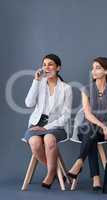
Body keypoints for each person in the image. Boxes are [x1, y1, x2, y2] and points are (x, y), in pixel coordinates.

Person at [67, 57, 107, 191]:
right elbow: (88, 115)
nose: (93, 71)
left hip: (102, 133)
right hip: (85, 129)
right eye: (93, 68)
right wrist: (103, 126)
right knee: (91, 129)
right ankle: (91, 173)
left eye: (98, 68)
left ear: (106, 71)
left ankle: (81, 165)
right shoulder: (86, 89)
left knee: (92, 136)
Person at [23, 54, 72, 189]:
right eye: (44, 64)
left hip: (56, 125)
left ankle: (50, 174)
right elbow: (28, 103)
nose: (46, 67)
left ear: (58, 68)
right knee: (35, 143)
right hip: (36, 124)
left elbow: (66, 116)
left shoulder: (66, 88)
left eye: (50, 64)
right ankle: (57, 171)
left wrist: (47, 128)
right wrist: (36, 81)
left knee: (49, 139)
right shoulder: (39, 84)